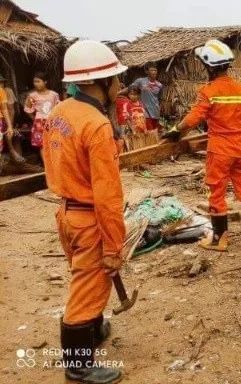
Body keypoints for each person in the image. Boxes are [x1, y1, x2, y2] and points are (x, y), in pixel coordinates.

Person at [42, 40, 127, 384]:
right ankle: (78, 365)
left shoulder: (59, 113)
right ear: (100, 82)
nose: (120, 86)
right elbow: (107, 194)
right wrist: (114, 246)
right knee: (88, 285)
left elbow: (51, 160)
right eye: (115, 79)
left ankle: (93, 327)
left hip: (66, 214)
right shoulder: (97, 125)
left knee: (87, 279)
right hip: (89, 217)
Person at [164, 39, 241, 251]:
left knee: (217, 192)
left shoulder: (209, 91)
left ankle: (220, 239)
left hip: (220, 149)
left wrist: (175, 130)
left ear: (208, 66)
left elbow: (194, 118)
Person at [24, 72, 60, 149]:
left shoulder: (54, 95)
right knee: (42, 145)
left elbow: (58, 108)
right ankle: (45, 161)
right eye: (34, 82)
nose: (36, 84)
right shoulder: (32, 96)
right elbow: (27, 109)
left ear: (45, 82)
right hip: (39, 123)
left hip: (52, 122)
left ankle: (53, 161)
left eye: (38, 81)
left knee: (54, 144)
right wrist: (35, 119)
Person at [122, 64, 163, 131]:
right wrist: (119, 92)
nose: (154, 72)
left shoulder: (159, 85)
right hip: (145, 111)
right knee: (148, 130)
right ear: (147, 72)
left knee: (154, 131)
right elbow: (130, 88)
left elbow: (160, 98)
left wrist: (159, 110)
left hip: (155, 112)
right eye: (152, 70)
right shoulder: (140, 81)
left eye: (155, 70)